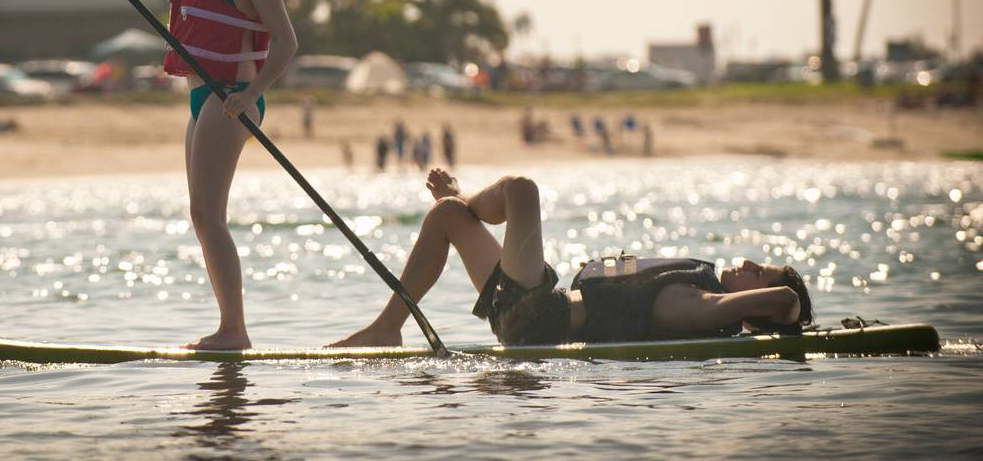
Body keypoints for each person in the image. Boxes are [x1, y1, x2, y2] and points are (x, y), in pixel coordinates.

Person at [73, 0, 298, 350]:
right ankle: (230, 328)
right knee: (201, 216)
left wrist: (251, 93)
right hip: (203, 101)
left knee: (209, 216)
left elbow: (286, 42)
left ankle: (234, 331)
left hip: (228, 100)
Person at [331, 168, 812, 348]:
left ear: (758, 307)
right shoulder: (702, 290)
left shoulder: (705, 307)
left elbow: (783, 302)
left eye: (758, 274)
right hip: (532, 311)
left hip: (539, 318)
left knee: (523, 191)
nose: (748, 264)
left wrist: (789, 305)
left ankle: (468, 196)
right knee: (448, 216)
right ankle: (388, 327)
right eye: (758, 265)